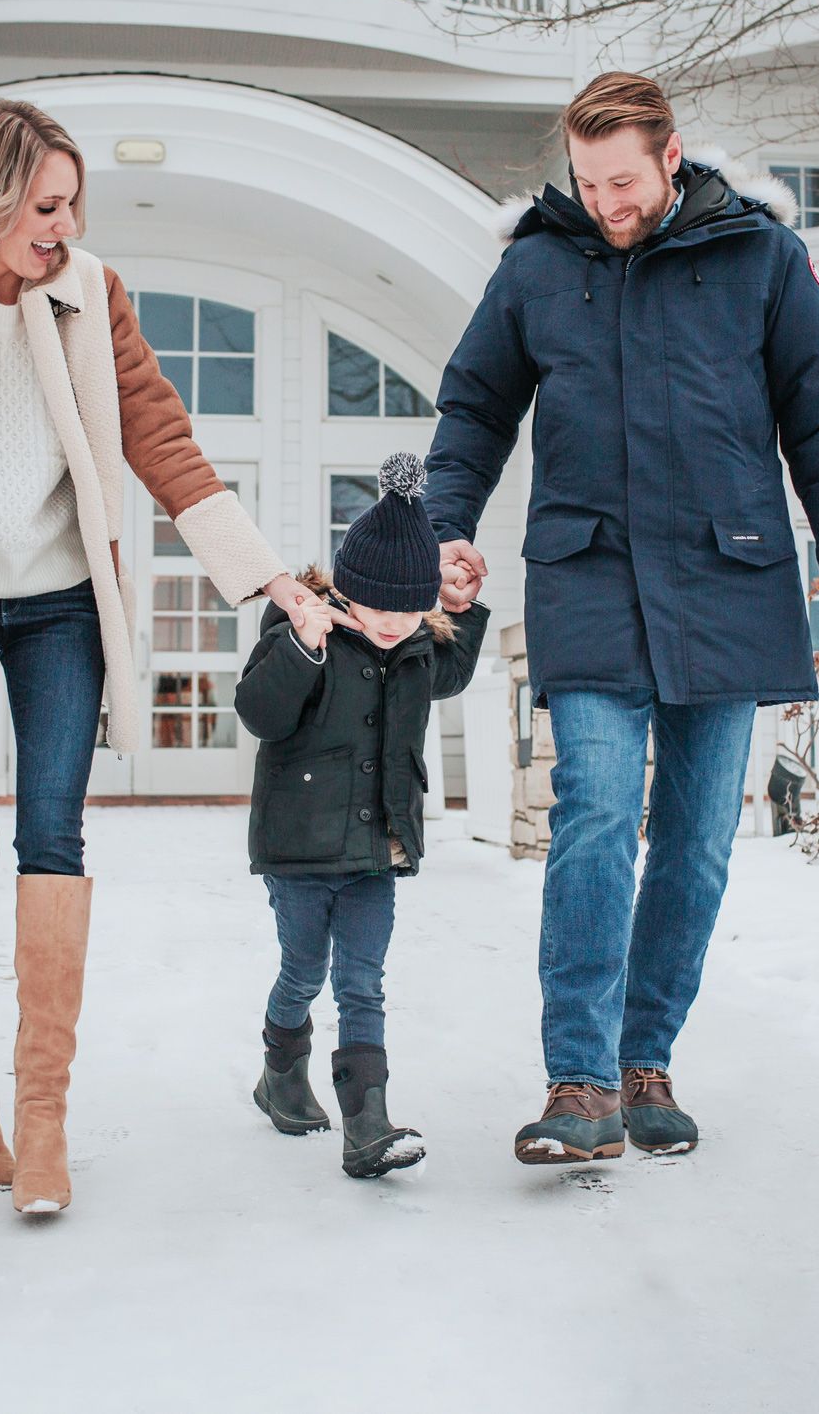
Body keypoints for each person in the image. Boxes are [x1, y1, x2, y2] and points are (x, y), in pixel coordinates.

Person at [0, 98, 312, 1214]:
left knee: (52, 833)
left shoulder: (93, 293)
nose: (66, 226)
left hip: (59, 608)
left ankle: (42, 1115)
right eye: (47, 206)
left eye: (72, 204)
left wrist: (267, 577)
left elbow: (164, 440)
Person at [423, 72, 819, 1164]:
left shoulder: (761, 259)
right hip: (587, 573)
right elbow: (476, 407)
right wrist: (445, 527)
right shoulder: (538, 266)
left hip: (730, 576)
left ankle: (645, 1063)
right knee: (591, 811)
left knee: (696, 842)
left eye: (623, 181)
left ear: (671, 156)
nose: (605, 203)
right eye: (587, 183)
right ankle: (580, 1081)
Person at [234, 454, 489, 1178]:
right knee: (303, 971)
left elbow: (453, 672)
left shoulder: (415, 643)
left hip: (379, 848)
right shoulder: (300, 630)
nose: (393, 626)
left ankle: (367, 1123)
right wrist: (303, 648)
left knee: (362, 982)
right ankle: (281, 1072)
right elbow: (259, 714)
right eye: (380, 611)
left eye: (410, 612)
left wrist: (462, 611)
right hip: (301, 848)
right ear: (347, 590)